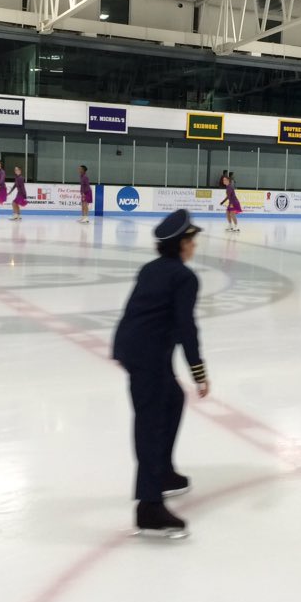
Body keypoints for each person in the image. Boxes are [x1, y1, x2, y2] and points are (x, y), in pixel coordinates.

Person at [113, 209, 210, 538]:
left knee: (172, 398)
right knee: (151, 423)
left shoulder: (151, 269)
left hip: (136, 348)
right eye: (191, 240)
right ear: (181, 245)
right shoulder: (184, 277)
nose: (194, 245)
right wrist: (199, 371)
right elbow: (186, 327)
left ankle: (164, 473)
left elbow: (134, 312)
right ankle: (148, 506)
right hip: (150, 355)